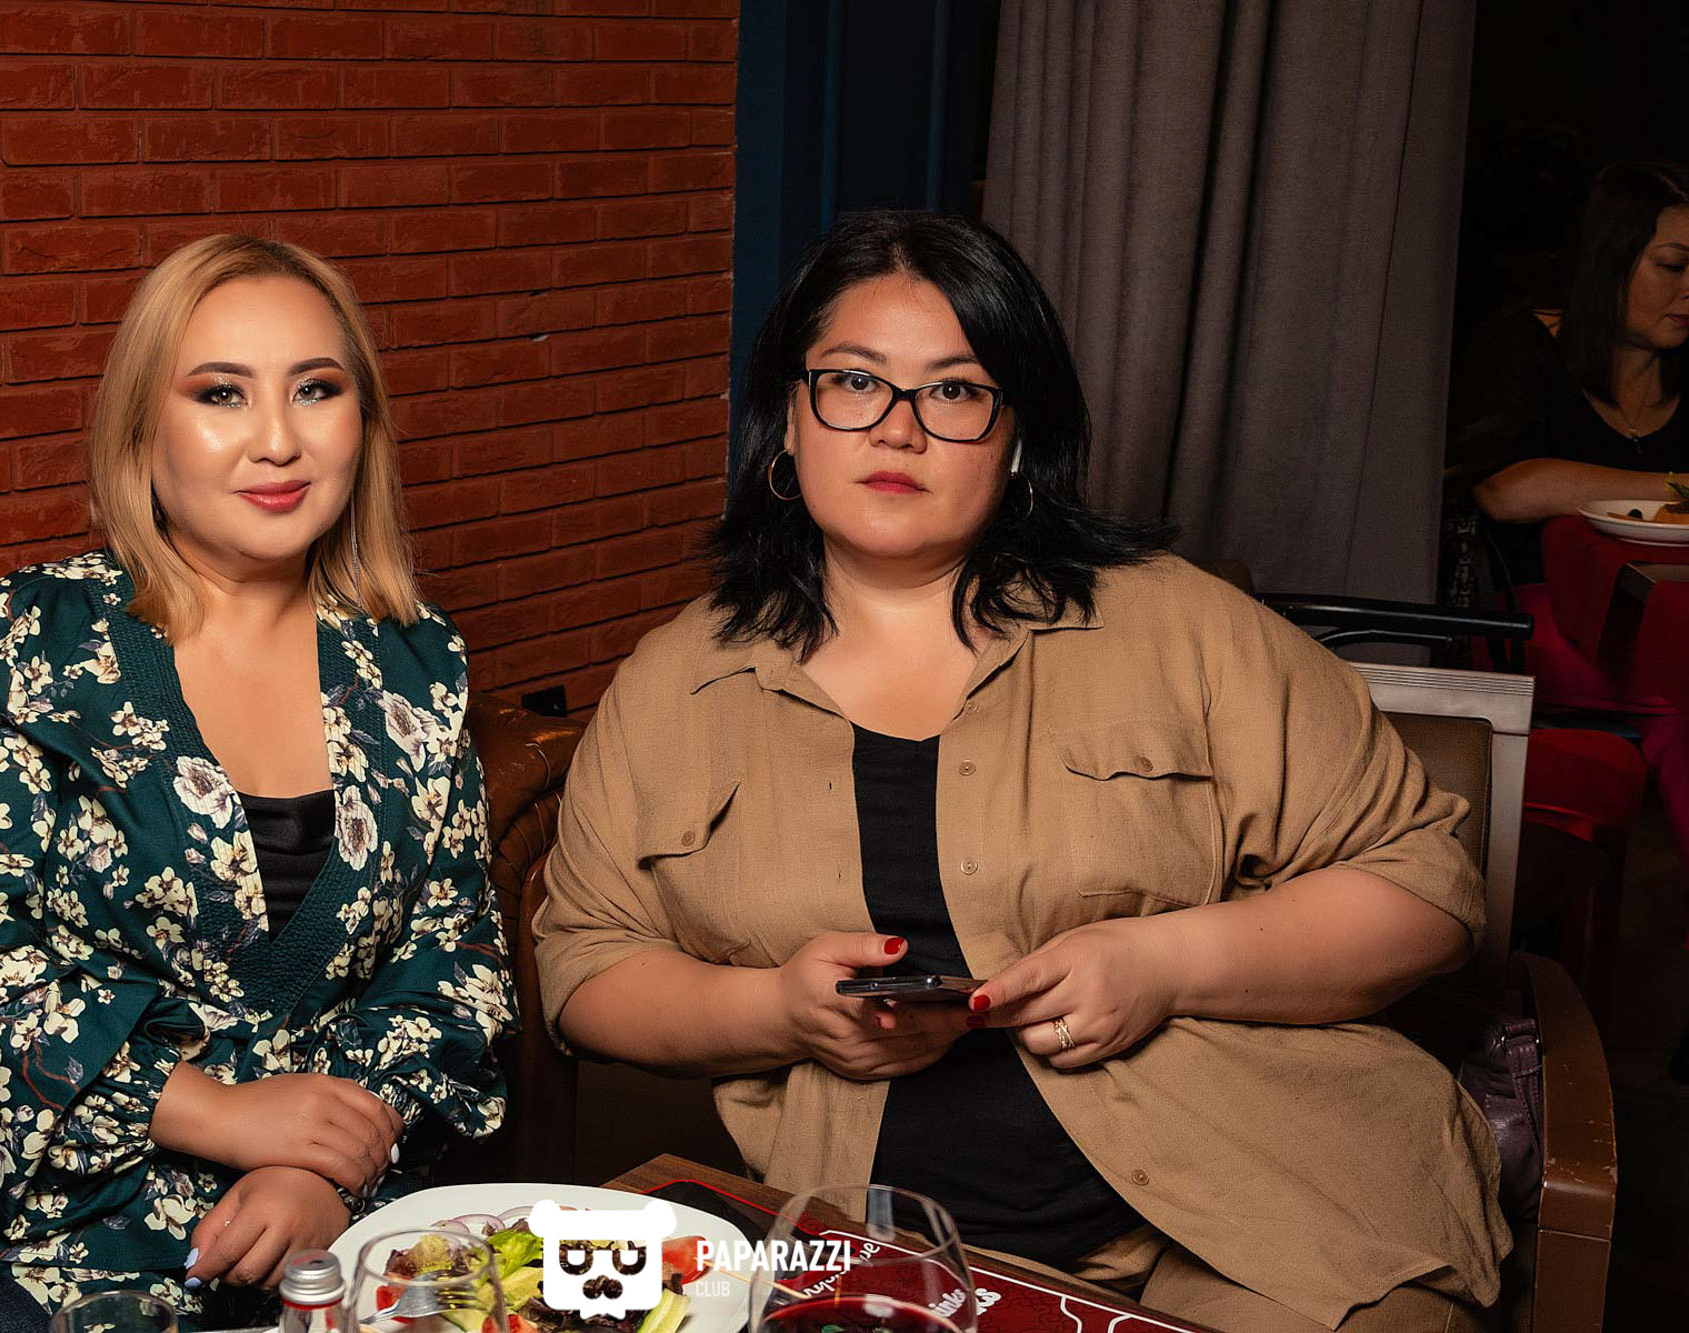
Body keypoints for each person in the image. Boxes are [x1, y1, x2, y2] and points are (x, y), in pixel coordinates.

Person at [535, 210, 1507, 1333]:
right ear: (787, 422)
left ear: (1014, 438)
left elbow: (1426, 889)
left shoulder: (1183, 628)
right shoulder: (674, 682)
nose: (897, 429)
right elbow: (585, 964)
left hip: (1264, 1220)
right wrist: (778, 1010)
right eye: (854, 382)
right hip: (872, 1255)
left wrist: (1161, 962)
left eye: (953, 391)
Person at [0, 235, 515, 1327]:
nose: (278, 439)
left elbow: (454, 961)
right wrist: (220, 1112)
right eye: (221, 393)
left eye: (316, 389)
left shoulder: (416, 660)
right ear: (142, 430)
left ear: (363, 421)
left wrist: (326, 1162)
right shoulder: (35, 638)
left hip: (299, 1227)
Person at [1450, 161, 1689, 864]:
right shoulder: (1525, 346)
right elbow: (1506, 491)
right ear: (1610, 261)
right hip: (1538, 613)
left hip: (1669, 611)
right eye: (1673, 266)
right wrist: (1678, 484)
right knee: (1679, 685)